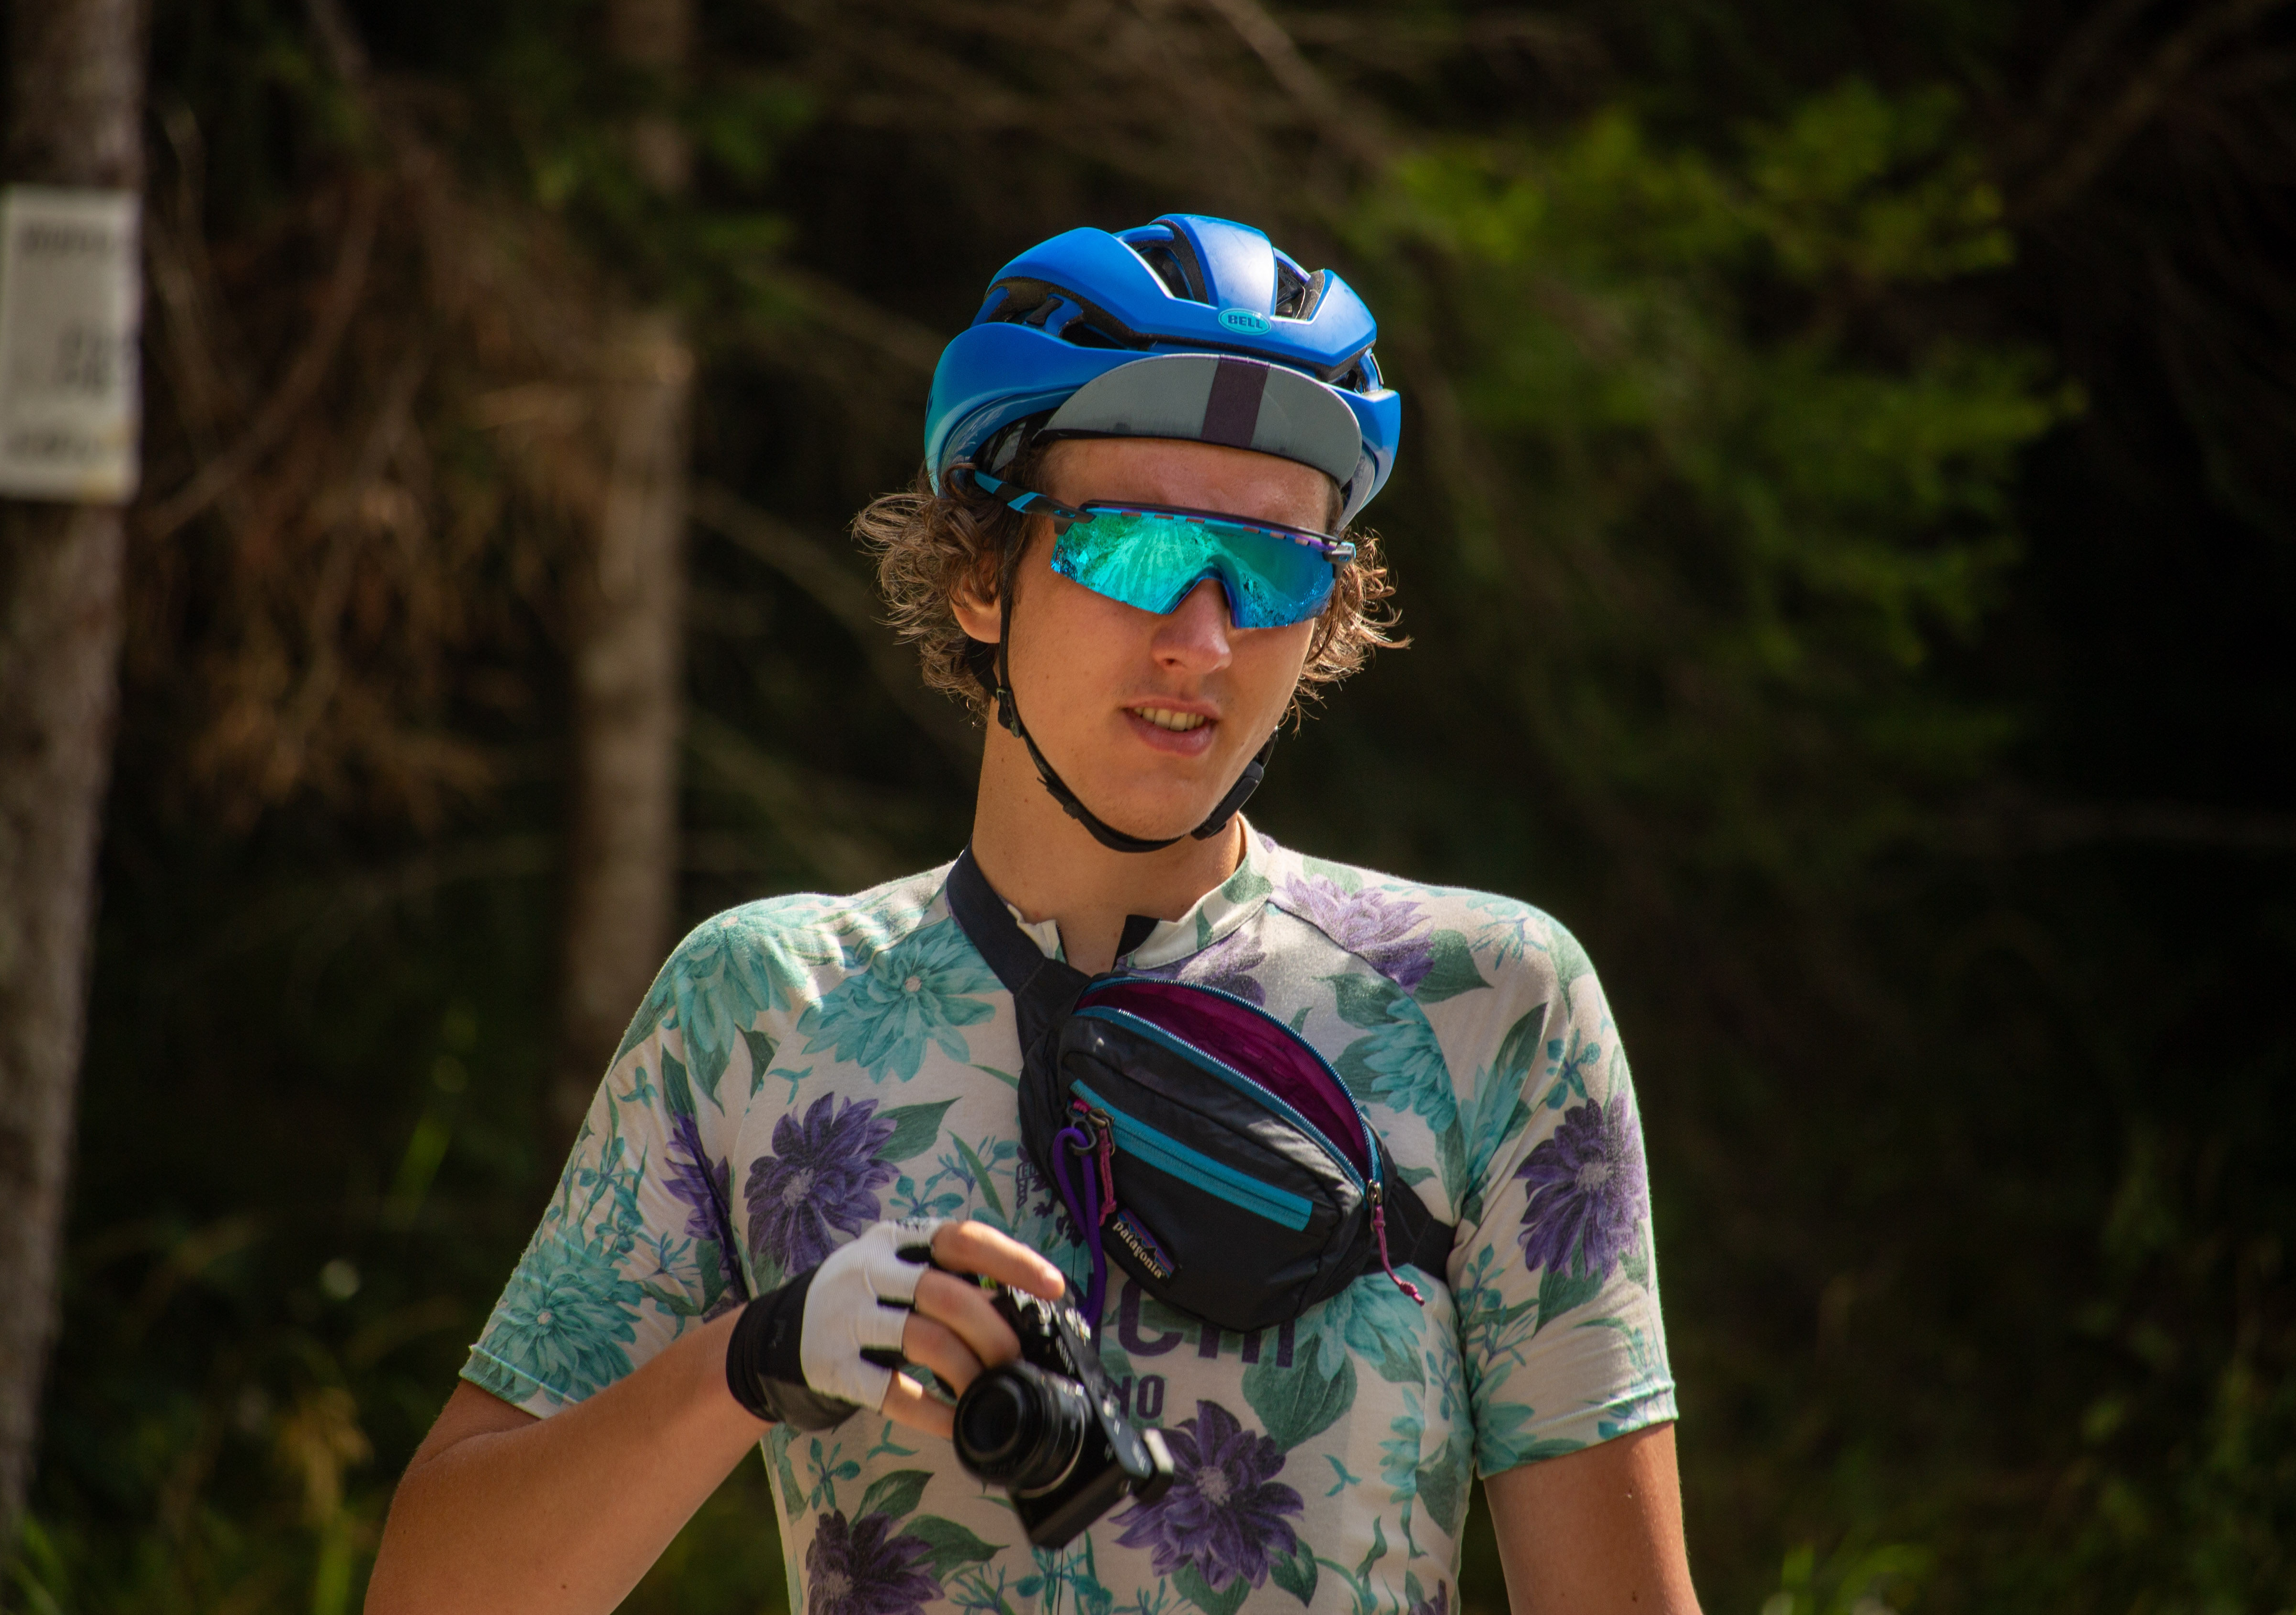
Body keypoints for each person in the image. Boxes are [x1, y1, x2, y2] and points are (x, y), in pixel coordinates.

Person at [366, 214, 1695, 1615]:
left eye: (1271, 568)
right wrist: (752, 1358)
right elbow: (432, 1597)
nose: (1202, 638)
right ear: (979, 575)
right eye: (1131, 549)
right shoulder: (754, 1009)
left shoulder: (1486, 1004)